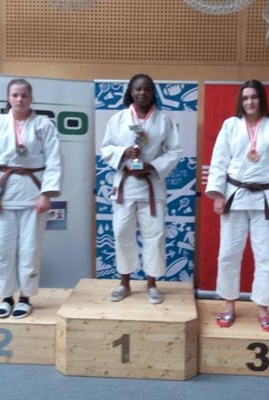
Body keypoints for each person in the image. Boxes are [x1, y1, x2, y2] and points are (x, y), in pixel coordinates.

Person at [205, 79, 269, 331]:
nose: (250, 102)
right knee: (228, 253)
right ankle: (229, 306)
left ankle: (263, 309)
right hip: (235, 195)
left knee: (267, 255)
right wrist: (217, 194)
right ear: (241, 101)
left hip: (266, 198)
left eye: (254, 97)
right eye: (245, 97)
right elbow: (219, 161)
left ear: (261, 99)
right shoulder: (230, 126)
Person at [0, 78, 62, 319]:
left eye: (24, 95)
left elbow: (54, 160)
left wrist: (47, 194)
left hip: (33, 195)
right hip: (4, 195)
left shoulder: (44, 125)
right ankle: (5, 297)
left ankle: (25, 298)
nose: (20, 99)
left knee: (29, 250)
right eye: (15, 95)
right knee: (1, 250)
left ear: (31, 98)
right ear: (8, 98)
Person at [101, 74, 182, 304]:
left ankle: (152, 284)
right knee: (121, 232)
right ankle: (124, 282)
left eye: (146, 89)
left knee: (154, 235)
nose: (142, 93)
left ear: (152, 92)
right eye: (137, 89)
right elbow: (106, 148)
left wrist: (152, 166)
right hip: (126, 185)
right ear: (131, 91)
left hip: (151, 185)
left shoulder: (164, 120)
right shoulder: (117, 119)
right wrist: (123, 152)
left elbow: (174, 151)